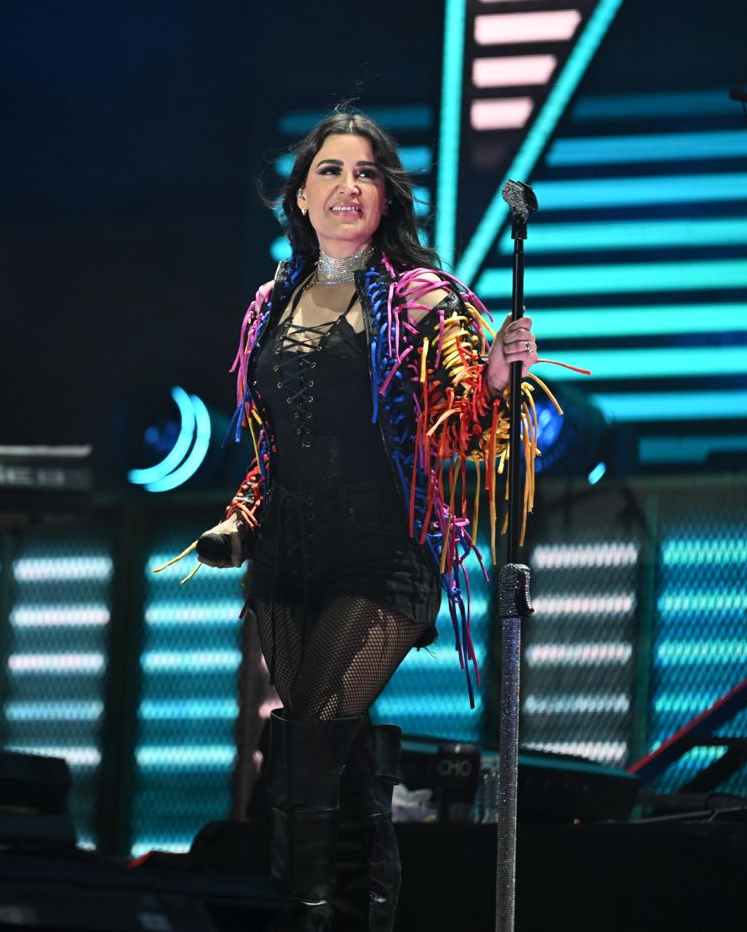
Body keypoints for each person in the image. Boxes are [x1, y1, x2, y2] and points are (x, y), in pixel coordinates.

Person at [184, 109, 541, 930]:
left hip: (382, 551)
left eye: (367, 172)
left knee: (311, 729)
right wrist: (242, 518)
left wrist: (494, 375)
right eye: (331, 170)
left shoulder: (421, 296)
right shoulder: (269, 305)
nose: (349, 185)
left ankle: (303, 916)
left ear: (386, 197)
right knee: (327, 753)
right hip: (287, 557)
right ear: (300, 196)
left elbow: (467, 428)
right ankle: (366, 910)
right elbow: (273, 447)